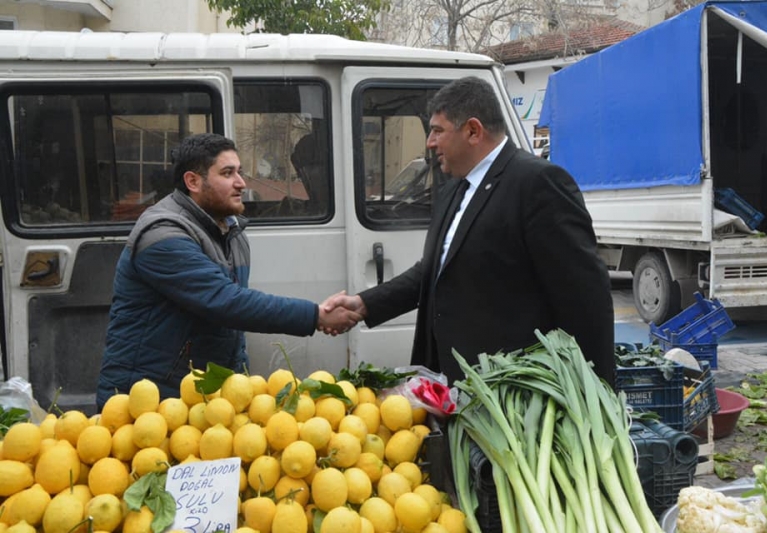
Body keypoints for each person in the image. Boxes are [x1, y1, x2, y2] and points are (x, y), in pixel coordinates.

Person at [325, 77, 615, 385]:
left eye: (437, 130)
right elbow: (434, 272)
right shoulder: (455, 189)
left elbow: (585, 298)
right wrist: (366, 303)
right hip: (452, 386)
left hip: (510, 393)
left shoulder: (537, 184)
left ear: (473, 131)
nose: (429, 142)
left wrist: (593, 392)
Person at [96, 133, 360, 409]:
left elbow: (231, 328)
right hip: (145, 400)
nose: (241, 183)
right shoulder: (163, 234)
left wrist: (238, 379)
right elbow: (226, 302)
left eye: (240, 172)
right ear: (193, 181)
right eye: (227, 173)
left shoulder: (230, 230)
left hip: (198, 397)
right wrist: (315, 315)